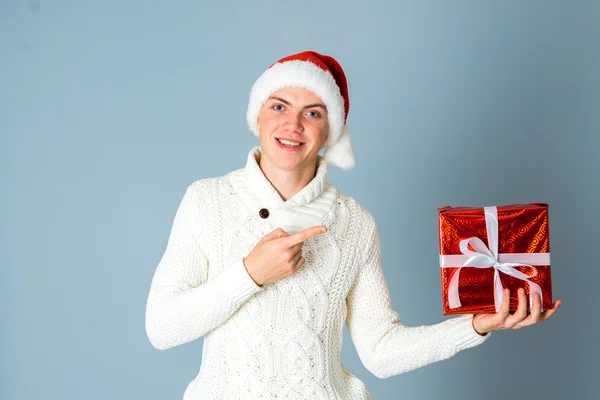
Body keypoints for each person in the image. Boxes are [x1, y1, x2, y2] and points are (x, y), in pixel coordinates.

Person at [144, 51, 561, 400]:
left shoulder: (354, 223)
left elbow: (380, 351)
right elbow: (162, 328)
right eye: (279, 106)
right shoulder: (208, 200)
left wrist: (474, 326)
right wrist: (250, 274)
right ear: (258, 117)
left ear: (331, 131)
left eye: (313, 112)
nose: (292, 125)